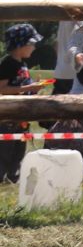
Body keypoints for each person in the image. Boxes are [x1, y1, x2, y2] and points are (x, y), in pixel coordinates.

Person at [2, 23, 46, 183]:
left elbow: (20, 87)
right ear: (20, 45)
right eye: (31, 43)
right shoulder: (8, 64)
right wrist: (29, 86)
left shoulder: (22, 64)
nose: (34, 47)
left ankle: (13, 180)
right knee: (4, 152)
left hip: (21, 117)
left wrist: (34, 89)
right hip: (8, 118)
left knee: (18, 151)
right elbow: (2, 89)